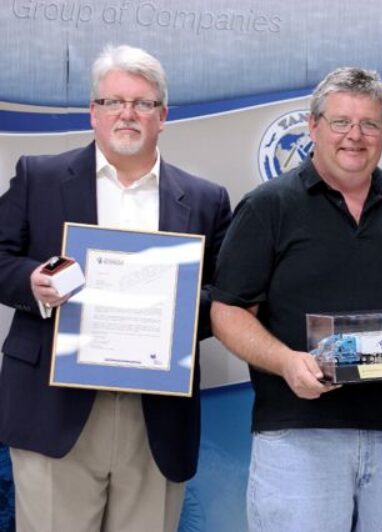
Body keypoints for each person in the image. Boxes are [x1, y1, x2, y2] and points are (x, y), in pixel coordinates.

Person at [210, 66, 382, 532]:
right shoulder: (269, 206)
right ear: (313, 126)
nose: (354, 136)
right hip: (300, 435)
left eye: (369, 124)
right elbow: (227, 311)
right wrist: (285, 362)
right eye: (341, 122)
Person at [0, 44, 231, 532]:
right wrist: (32, 283)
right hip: (54, 408)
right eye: (112, 102)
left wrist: (179, 306)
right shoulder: (38, 177)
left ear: (162, 115)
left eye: (143, 103)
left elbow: (229, 297)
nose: (127, 114)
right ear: (93, 112)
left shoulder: (206, 200)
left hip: (156, 416)